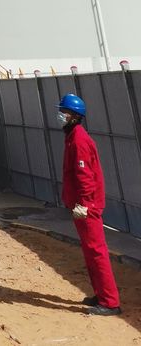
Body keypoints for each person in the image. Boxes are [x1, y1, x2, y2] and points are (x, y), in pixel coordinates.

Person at [58, 93, 121, 316]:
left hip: (87, 207)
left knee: (96, 252)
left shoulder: (79, 140)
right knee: (89, 251)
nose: (61, 116)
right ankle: (101, 294)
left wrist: (84, 205)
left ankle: (110, 302)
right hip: (82, 205)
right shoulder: (73, 136)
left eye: (64, 112)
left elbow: (84, 176)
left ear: (75, 116)